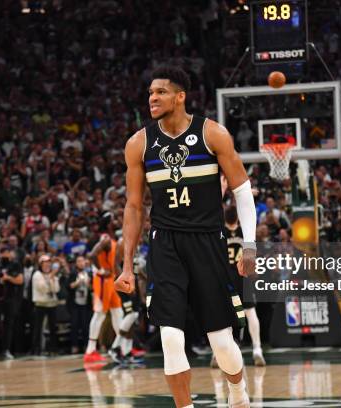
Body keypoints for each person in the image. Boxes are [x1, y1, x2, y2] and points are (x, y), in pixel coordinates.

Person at [114, 67, 256, 408]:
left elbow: (242, 189)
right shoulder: (139, 143)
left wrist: (249, 244)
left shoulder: (212, 134)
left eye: (160, 92)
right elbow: (134, 208)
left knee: (222, 344)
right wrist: (127, 266)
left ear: (180, 97)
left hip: (208, 240)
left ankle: (238, 391)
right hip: (165, 243)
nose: (152, 98)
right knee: (170, 338)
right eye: (150, 92)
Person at [212, 205, 265, 368]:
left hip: (226, 277)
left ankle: (216, 354)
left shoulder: (219, 232)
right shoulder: (245, 232)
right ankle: (257, 350)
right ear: (237, 218)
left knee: (222, 317)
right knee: (250, 313)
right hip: (243, 276)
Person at [82, 234, 124, 362]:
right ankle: (90, 350)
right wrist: (100, 270)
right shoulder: (106, 240)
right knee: (99, 314)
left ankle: (122, 346)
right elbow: (91, 255)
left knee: (118, 312)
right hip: (102, 281)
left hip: (111, 280)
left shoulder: (115, 243)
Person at [0, 246, 23, 360]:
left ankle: (6, 350)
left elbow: (20, 280)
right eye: (2, 252)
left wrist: (8, 278)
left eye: (6, 252)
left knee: (8, 325)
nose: (4, 254)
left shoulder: (15, 265)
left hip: (10, 298)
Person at [31, 254, 60, 355]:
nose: (47, 265)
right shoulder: (37, 275)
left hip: (52, 304)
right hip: (40, 304)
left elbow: (56, 289)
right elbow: (42, 288)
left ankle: (53, 349)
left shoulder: (53, 275)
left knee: (53, 328)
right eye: (45, 263)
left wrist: (51, 278)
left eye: (48, 263)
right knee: (38, 328)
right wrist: (50, 278)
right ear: (40, 264)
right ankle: (36, 349)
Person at [67, 255, 92, 354]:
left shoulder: (89, 273)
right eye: (79, 261)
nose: (81, 263)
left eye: (83, 261)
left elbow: (92, 288)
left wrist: (87, 284)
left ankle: (87, 346)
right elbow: (68, 286)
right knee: (74, 325)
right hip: (75, 304)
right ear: (76, 263)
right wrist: (77, 283)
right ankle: (74, 346)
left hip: (86, 303)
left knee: (86, 326)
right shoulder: (73, 273)